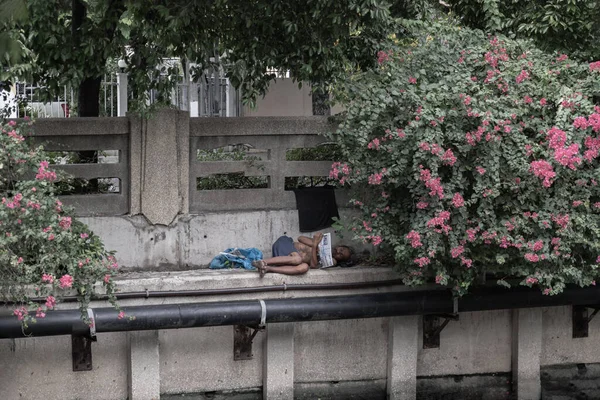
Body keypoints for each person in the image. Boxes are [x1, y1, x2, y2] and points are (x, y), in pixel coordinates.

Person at [252, 233, 352, 277]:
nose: (338, 252)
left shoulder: (331, 261)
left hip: (286, 260)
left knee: (304, 267)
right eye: (341, 249)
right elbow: (300, 238)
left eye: (341, 255)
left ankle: (267, 268)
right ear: (339, 246)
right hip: (284, 244)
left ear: (340, 260)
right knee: (298, 259)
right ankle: (262, 262)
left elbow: (313, 266)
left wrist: (314, 247)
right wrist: (316, 243)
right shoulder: (320, 243)